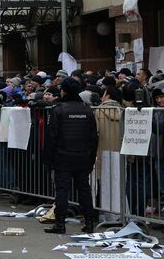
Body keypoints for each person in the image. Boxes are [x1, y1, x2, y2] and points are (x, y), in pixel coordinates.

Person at [44, 78, 98, 234]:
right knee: (84, 189)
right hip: (82, 156)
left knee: (62, 190)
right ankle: (89, 222)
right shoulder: (87, 110)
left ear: (64, 91)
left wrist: (48, 158)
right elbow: (93, 137)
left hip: (63, 156)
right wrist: (91, 157)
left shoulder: (59, 109)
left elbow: (51, 136)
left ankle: (60, 223)